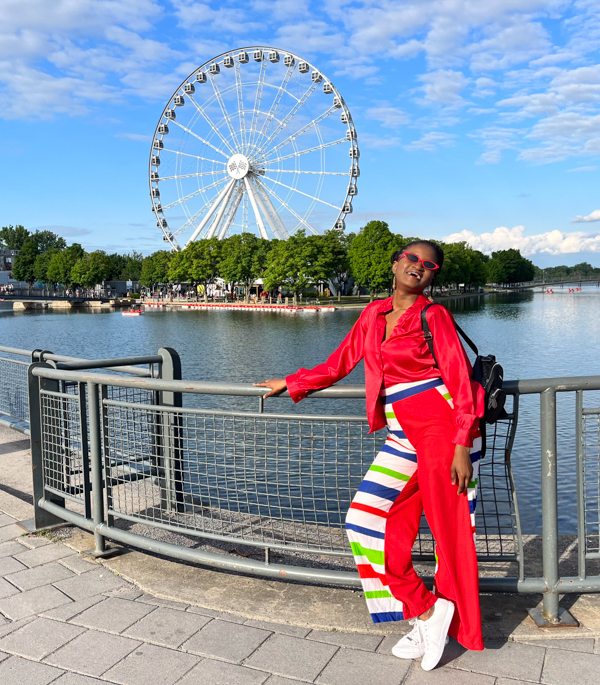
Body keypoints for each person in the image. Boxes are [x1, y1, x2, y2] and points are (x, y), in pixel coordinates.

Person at [254, 241, 484, 670]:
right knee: (363, 519)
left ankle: (443, 619)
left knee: (448, 532)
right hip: (401, 431)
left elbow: (458, 379)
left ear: (434, 275)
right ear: (395, 263)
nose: (419, 266)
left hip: (436, 426)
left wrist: (461, 444)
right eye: (411, 259)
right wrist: (292, 382)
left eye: (429, 264)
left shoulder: (433, 316)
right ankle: (426, 610)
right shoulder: (373, 314)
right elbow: (340, 362)